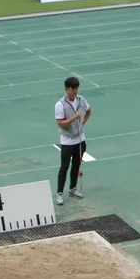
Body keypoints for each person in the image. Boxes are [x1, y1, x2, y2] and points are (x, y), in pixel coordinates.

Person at [55, 76, 92, 205]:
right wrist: (74, 119)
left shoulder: (81, 100)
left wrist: (82, 124)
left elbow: (89, 111)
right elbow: (60, 123)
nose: (75, 91)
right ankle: (59, 192)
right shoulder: (60, 104)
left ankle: (73, 189)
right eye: (73, 89)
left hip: (80, 140)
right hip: (67, 141)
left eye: (77, 89)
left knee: (76, 165)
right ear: (67, 88)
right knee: (64, 167)